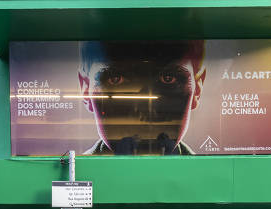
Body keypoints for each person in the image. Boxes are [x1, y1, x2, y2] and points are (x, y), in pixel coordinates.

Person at [78, 40, 207, 155]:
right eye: (115, 79)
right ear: (86, 90)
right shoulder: (206, 176)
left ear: (197, 90)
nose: (143, 110)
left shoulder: (77, 172)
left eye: (168, 79)